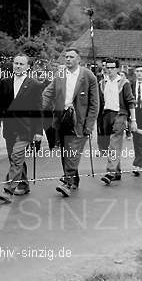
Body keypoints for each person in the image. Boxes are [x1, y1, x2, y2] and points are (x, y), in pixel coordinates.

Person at [42, 47, 99, 197]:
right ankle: (74, 178)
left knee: (73, 150)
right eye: (66, 57)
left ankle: (67, 182)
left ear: (79, 59)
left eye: (71, 57)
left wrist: (89, 124)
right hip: (62, 118)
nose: (68, 59)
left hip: (79, 120)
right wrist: (41, 106)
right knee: (65, 151)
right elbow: (48, 92)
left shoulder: (88, 76)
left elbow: (94, 104)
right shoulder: (60, 74)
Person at [0, 54, 43, 204]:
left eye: (21, 64)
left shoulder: (34, 84)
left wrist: (39, 131)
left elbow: (38, 109)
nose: (18, 66)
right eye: (16, 63)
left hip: (26, 129)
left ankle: (8, 190)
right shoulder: (5, 83)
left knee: (16, 157)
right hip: (9, 128)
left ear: (28, 67)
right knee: (15, 158)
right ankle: (24, 183)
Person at [96, 58, 136, 185]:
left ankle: (110, 172)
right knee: (111, 144)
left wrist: (133, 120)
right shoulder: (102, 83)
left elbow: (130, 102)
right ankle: (117, 172)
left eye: (112, 68)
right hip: (106, 115)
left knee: (114, 143)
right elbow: (98, 102)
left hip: (120, 115)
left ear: (118, 69)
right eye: (107, 67)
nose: (109, 70)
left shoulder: (124, 83)